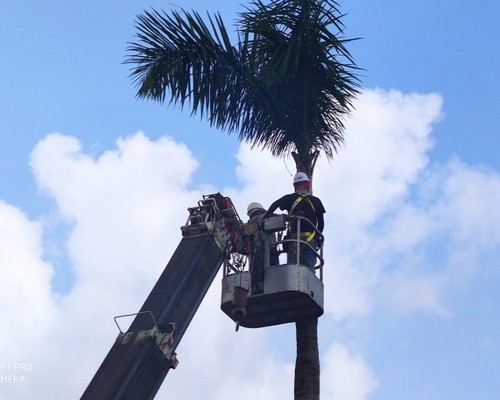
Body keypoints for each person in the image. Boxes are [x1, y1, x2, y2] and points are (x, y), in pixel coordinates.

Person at [264, 172, 325, 271]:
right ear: (307, 185)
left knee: (293, 268)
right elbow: (321, 223)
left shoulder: (289, 198)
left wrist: (267, 216)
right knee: (309, 268)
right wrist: (317, 237)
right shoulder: (315, 201)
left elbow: (276, 204)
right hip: (310, 240)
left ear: (295, 186)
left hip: (293, 239)